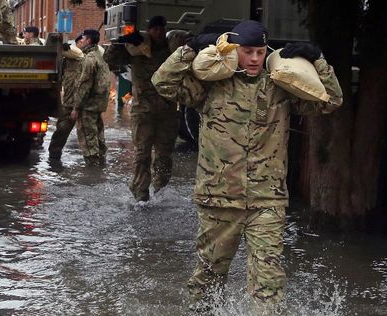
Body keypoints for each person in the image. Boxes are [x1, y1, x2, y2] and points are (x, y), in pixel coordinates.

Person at [152, 20, 343, 305]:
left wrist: (318, 60)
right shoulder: (210, 85)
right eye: (248, 51)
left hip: (267, 201)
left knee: (269, 281)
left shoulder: (280, 86)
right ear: (234, 51)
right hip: (218, 199)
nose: (255, 59)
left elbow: (331, 101)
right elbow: (162, 82)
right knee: (208, 277)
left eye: (260, 51)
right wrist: (189, 49)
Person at [104, 15, 179, 202]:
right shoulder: (136, 48)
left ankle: (161, 191)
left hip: (167, 111)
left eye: (162, 28)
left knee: (164, 155)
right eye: (155, 29)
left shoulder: (171, 51)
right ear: (150, 30)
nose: (159, 32)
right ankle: (140, 193)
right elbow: (110, 59)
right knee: (142, 153)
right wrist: (120, 42)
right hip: (143, 111)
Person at [70, 29, 111, 166]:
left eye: (82, 38)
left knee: (88, 137)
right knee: (98, 134)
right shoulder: (100, 55)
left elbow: (84, 86)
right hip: (98, 103)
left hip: (88, 104)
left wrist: (76, 108)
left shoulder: (89, 59)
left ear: (88, 40)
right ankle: (101, 164)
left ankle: (92, 169)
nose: (80, 41)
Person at [48, 33, 84, 160]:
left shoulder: (87, 57)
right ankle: (54, 154)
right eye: (83, 40)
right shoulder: (71, 57)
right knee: (63, 127)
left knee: (90, 132)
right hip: (71, 101)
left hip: (83, 101)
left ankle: (94, 161)